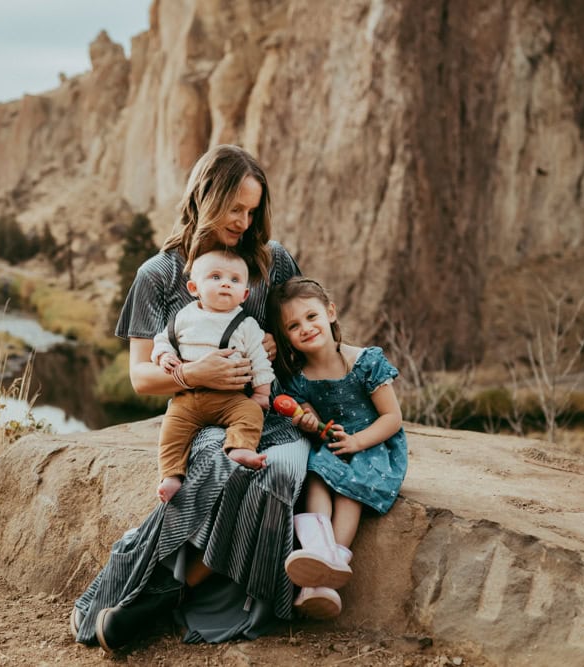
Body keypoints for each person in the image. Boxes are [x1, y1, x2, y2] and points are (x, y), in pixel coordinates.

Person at [70, 144, 309, 652]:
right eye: (235, 209)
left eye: (252, 210)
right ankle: (142, 589)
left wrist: (278, 341)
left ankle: (161, 597)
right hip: (199, 417)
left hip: (269, 412)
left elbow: (309, 330)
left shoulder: (272, 261)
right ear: (204, 197)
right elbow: (140, 376)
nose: (244, 222)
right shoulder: (157, 275)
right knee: (211, 463)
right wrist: (194, 372)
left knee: (277, 470)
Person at [266, 276, 408, 619]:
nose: (306, 328)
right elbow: (313, 422)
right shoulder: (299, 378)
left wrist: (358, 441)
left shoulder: (365, 362)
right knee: (316, 476)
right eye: (293, 325)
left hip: (371, 445)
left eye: (311, 317)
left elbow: (393, 418)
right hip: (332, 445)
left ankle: (336, 558)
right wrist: (309, 423)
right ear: (285, 336)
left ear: (330, 312)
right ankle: (317, 553)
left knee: (348, 490)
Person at [151, 248, 274, 502]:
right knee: (171, 431)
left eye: (235, 280)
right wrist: (164, 356)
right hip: (188, 398)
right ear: (194, 288)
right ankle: (171, 475)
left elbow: (259, 360)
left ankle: (240, 447)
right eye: (215, 277)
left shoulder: (246, 325)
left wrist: (262, 392)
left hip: (230, 399)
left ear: (245, 295)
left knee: (250, 413)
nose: (226, 284)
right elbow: (163, 340)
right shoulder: (184, 317)